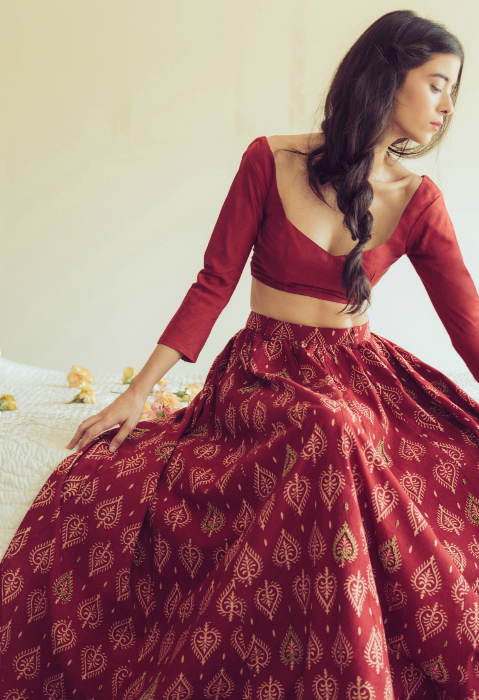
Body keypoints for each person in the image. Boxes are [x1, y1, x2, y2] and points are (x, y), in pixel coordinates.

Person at [1, 8, 478, 700]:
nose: (446, 106)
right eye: (436, 83)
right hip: (263, 373)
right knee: (329, 432)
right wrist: (136, 393)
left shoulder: (417, 200)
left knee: (396, 442)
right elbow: (212, 284)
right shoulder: (270, 158)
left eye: (453, 91)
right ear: (387, 74)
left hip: (356, 378)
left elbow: (467, 324)